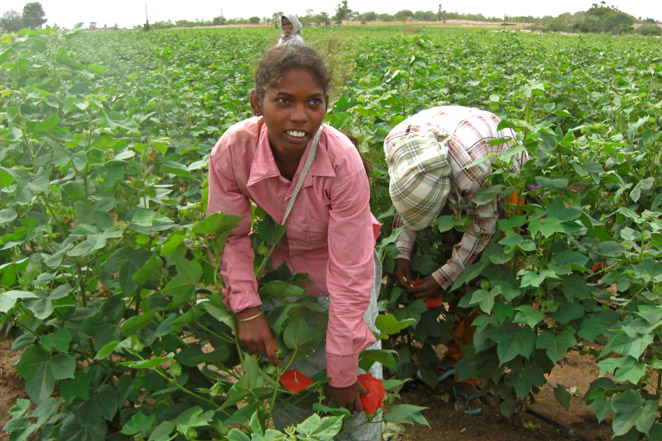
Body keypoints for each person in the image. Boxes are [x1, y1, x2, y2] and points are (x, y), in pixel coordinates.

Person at [206, 43, 382, 439]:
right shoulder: (234, 151)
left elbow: (352, 272)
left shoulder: (342, 162)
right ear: (257, 102)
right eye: (283, 101)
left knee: (354, 396)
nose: (300, 116)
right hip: (281, 271)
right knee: (293, 386)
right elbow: (230, 235)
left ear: (325, 106)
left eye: (313, 102)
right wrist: (248, 309)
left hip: (344, 271)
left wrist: (342, 370)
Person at [384, 105, 529, 415]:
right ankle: (453, 354)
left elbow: (484, 229)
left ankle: (471, 372)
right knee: (454, 246)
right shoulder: (398, 143)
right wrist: (402, 253)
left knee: (484, 275)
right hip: (456, 148)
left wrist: (443, 277)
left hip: (499, 161)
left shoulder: (476, 175)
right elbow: (408, 200)